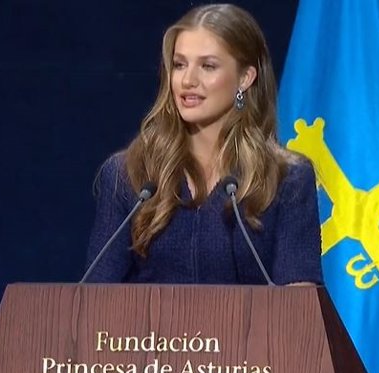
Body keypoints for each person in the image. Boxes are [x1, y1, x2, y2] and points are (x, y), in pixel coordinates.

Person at [85, 3, 321, 285]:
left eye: (207, 66)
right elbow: (93, 299)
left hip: (253, 331)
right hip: (148, 332)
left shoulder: (287, 178)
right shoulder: (130, 173)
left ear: (245, 78)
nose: (188, 80)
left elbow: (300, 306)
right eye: (179, 64)